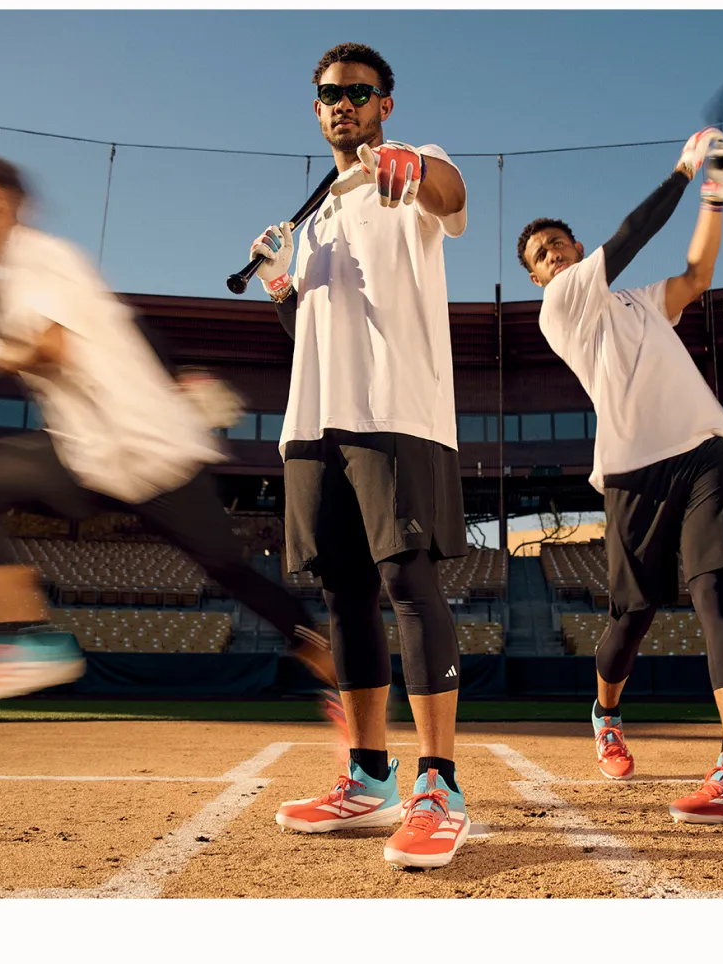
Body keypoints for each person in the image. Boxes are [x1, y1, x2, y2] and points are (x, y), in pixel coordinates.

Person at [0, 152, 338, 706]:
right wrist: (176, 377)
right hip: (95, 457)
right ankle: (21, 641)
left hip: (149, 452)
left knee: (233, 572)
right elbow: (123, 328)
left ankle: (341, 675)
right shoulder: (11, 278)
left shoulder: (39, 256)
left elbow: (53, 344)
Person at [247, 43, 472, 868]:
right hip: (314, 420)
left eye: (358, 91)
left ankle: (439, 786)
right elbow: (309, 330)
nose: (342, 103)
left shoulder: (409, 167)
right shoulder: (310, 220)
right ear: (316, 110)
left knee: (408, 583)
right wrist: (281, 286)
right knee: (344, 595)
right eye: (329, 94)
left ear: (384, 104)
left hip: (397, 411)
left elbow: (452, 195)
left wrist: (414, 167)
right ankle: (369, 776)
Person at [517, 129, 723, 824]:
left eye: (559, 243)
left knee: (714, 589)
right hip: (631, 470)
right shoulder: (559, 306)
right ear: (538, 277)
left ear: (576, 247)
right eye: (541, 254)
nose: (553, 252)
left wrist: (713, 194)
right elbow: (630, 236)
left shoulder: (635, 301)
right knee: (634, 614)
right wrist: (683, 171)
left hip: (701, 447)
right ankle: (606, 713)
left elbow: (696, 276)